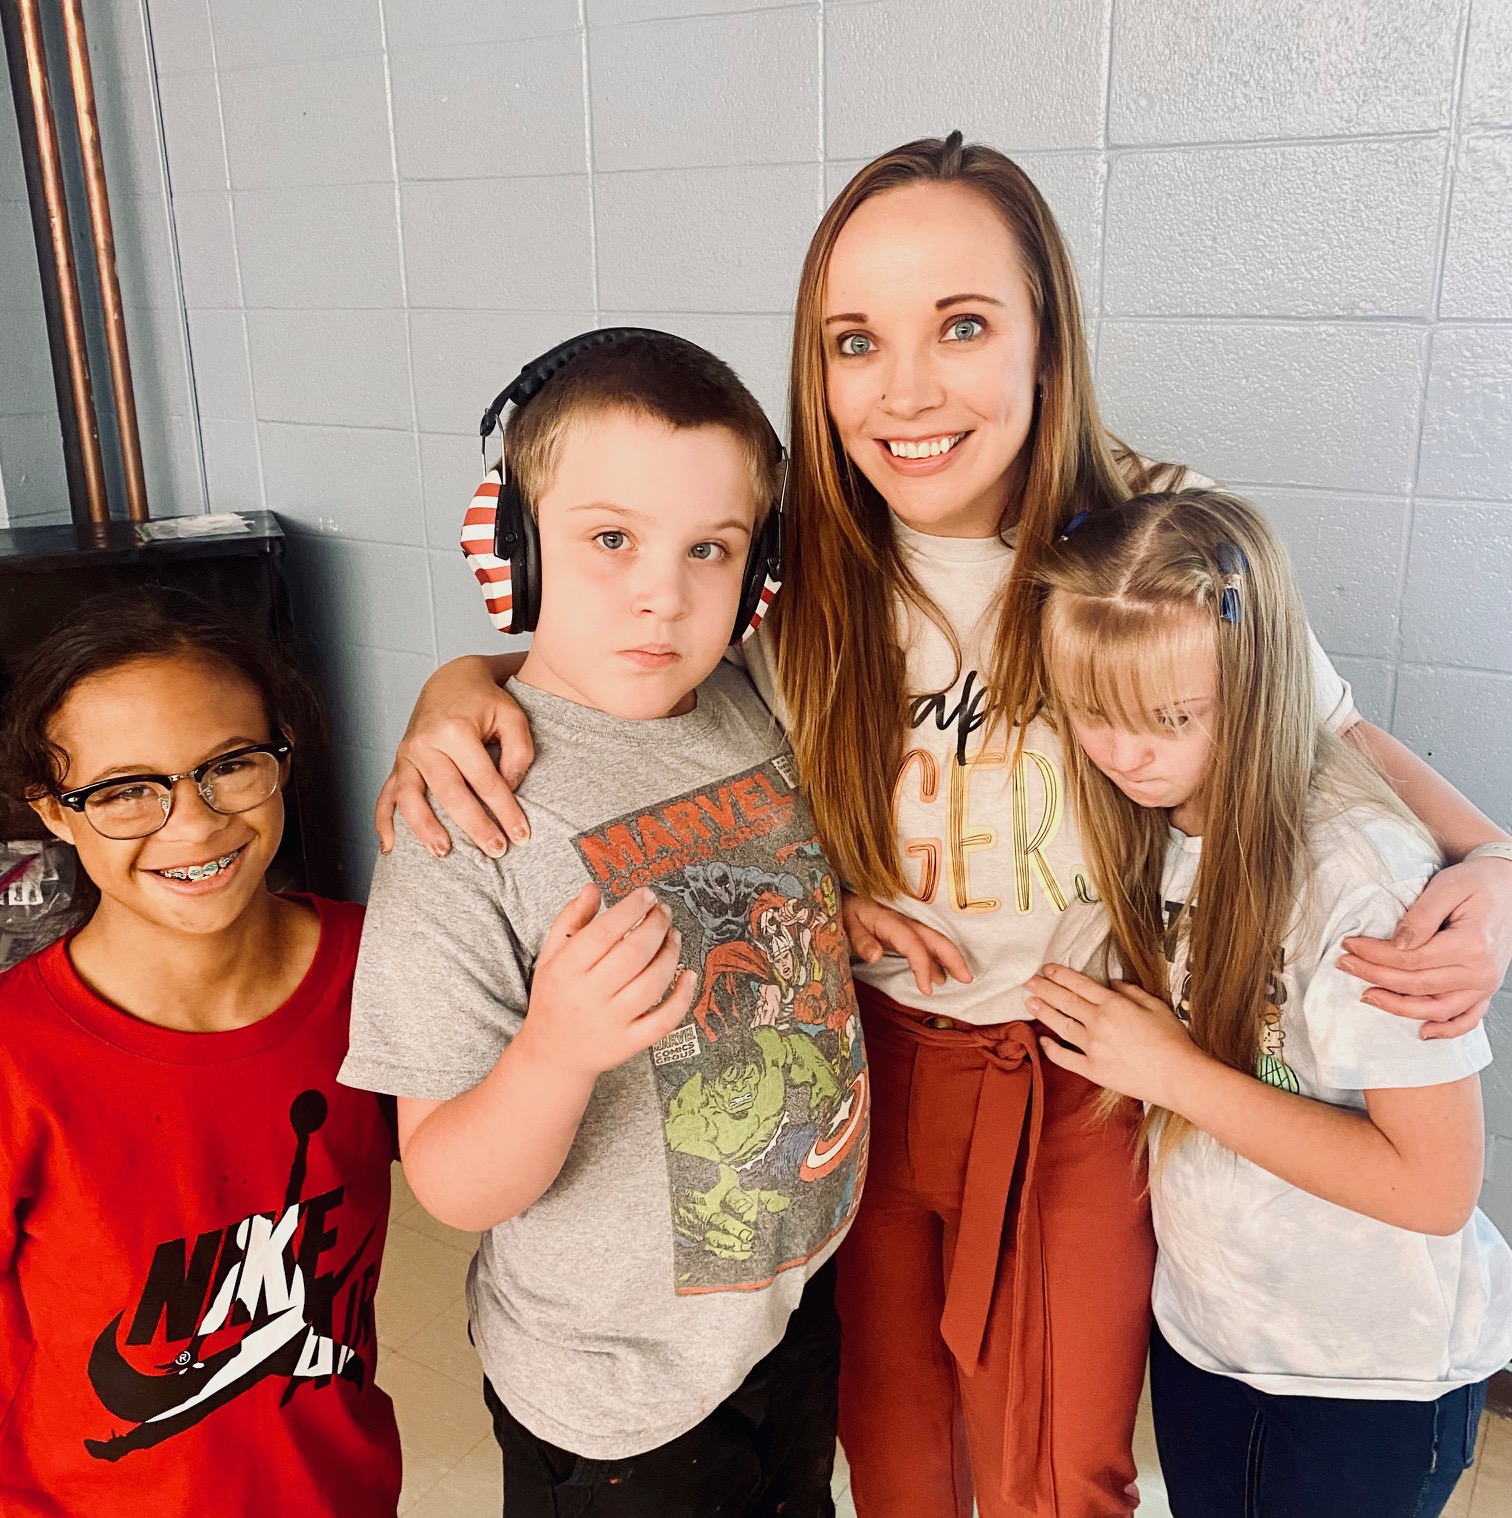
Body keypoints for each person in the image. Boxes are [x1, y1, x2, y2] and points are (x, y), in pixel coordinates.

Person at [373, 135, 1512, 1517]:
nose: (906, 389)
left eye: (962, 325)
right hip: (868, 1053)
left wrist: (1492, 853)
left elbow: (1319, 732)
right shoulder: (802, 571)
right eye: (857, 340)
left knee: (1057, 1458)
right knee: (897, 1450)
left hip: (1085, 1060)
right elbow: (632, 675)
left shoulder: (1144, 544)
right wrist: (459, 683)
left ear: (1046, 340)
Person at [339, 330, 866, 1518]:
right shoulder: (465, 819)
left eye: (711, 550)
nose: (661, 595)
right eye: (609, 538)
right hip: (616, 1405)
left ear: (757, 574)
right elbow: (455, 1184)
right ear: (510, 550)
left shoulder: (741, 708)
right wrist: (555, 1051)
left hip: (780, 1320)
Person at [1024, 488, 1512, 1518]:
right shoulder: (1158, 816)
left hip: (1363, 1376)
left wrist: (1171, 1075)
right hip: (1218, 1333)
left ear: (1259, 687)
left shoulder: (1357, 876)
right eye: (1093, 712)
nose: (1123, 752)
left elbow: (1433, 1187)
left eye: (1168, 719)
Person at [0, 590, 400, 1517]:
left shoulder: (379, 971)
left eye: (229, 765)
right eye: (125, 789)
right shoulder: (18, 1059)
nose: (193, 822)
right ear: (53, 812)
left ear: (282, 759)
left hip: (344, 1494)